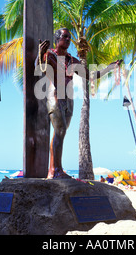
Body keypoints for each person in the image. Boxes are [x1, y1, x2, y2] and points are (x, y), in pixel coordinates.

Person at [38, 28, 122, 179]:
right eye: (65, 37)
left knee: (61, 133)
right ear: (57, 38)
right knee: (60, 131)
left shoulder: (71, 60)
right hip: (55, 95)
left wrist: (110, 68)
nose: (69, 39)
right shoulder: (50, 54)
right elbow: (43, 68)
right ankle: (56, 170)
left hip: (69, 100)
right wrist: (39, 54)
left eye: (70, 37)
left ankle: (53, 170)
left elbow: (90, 75)